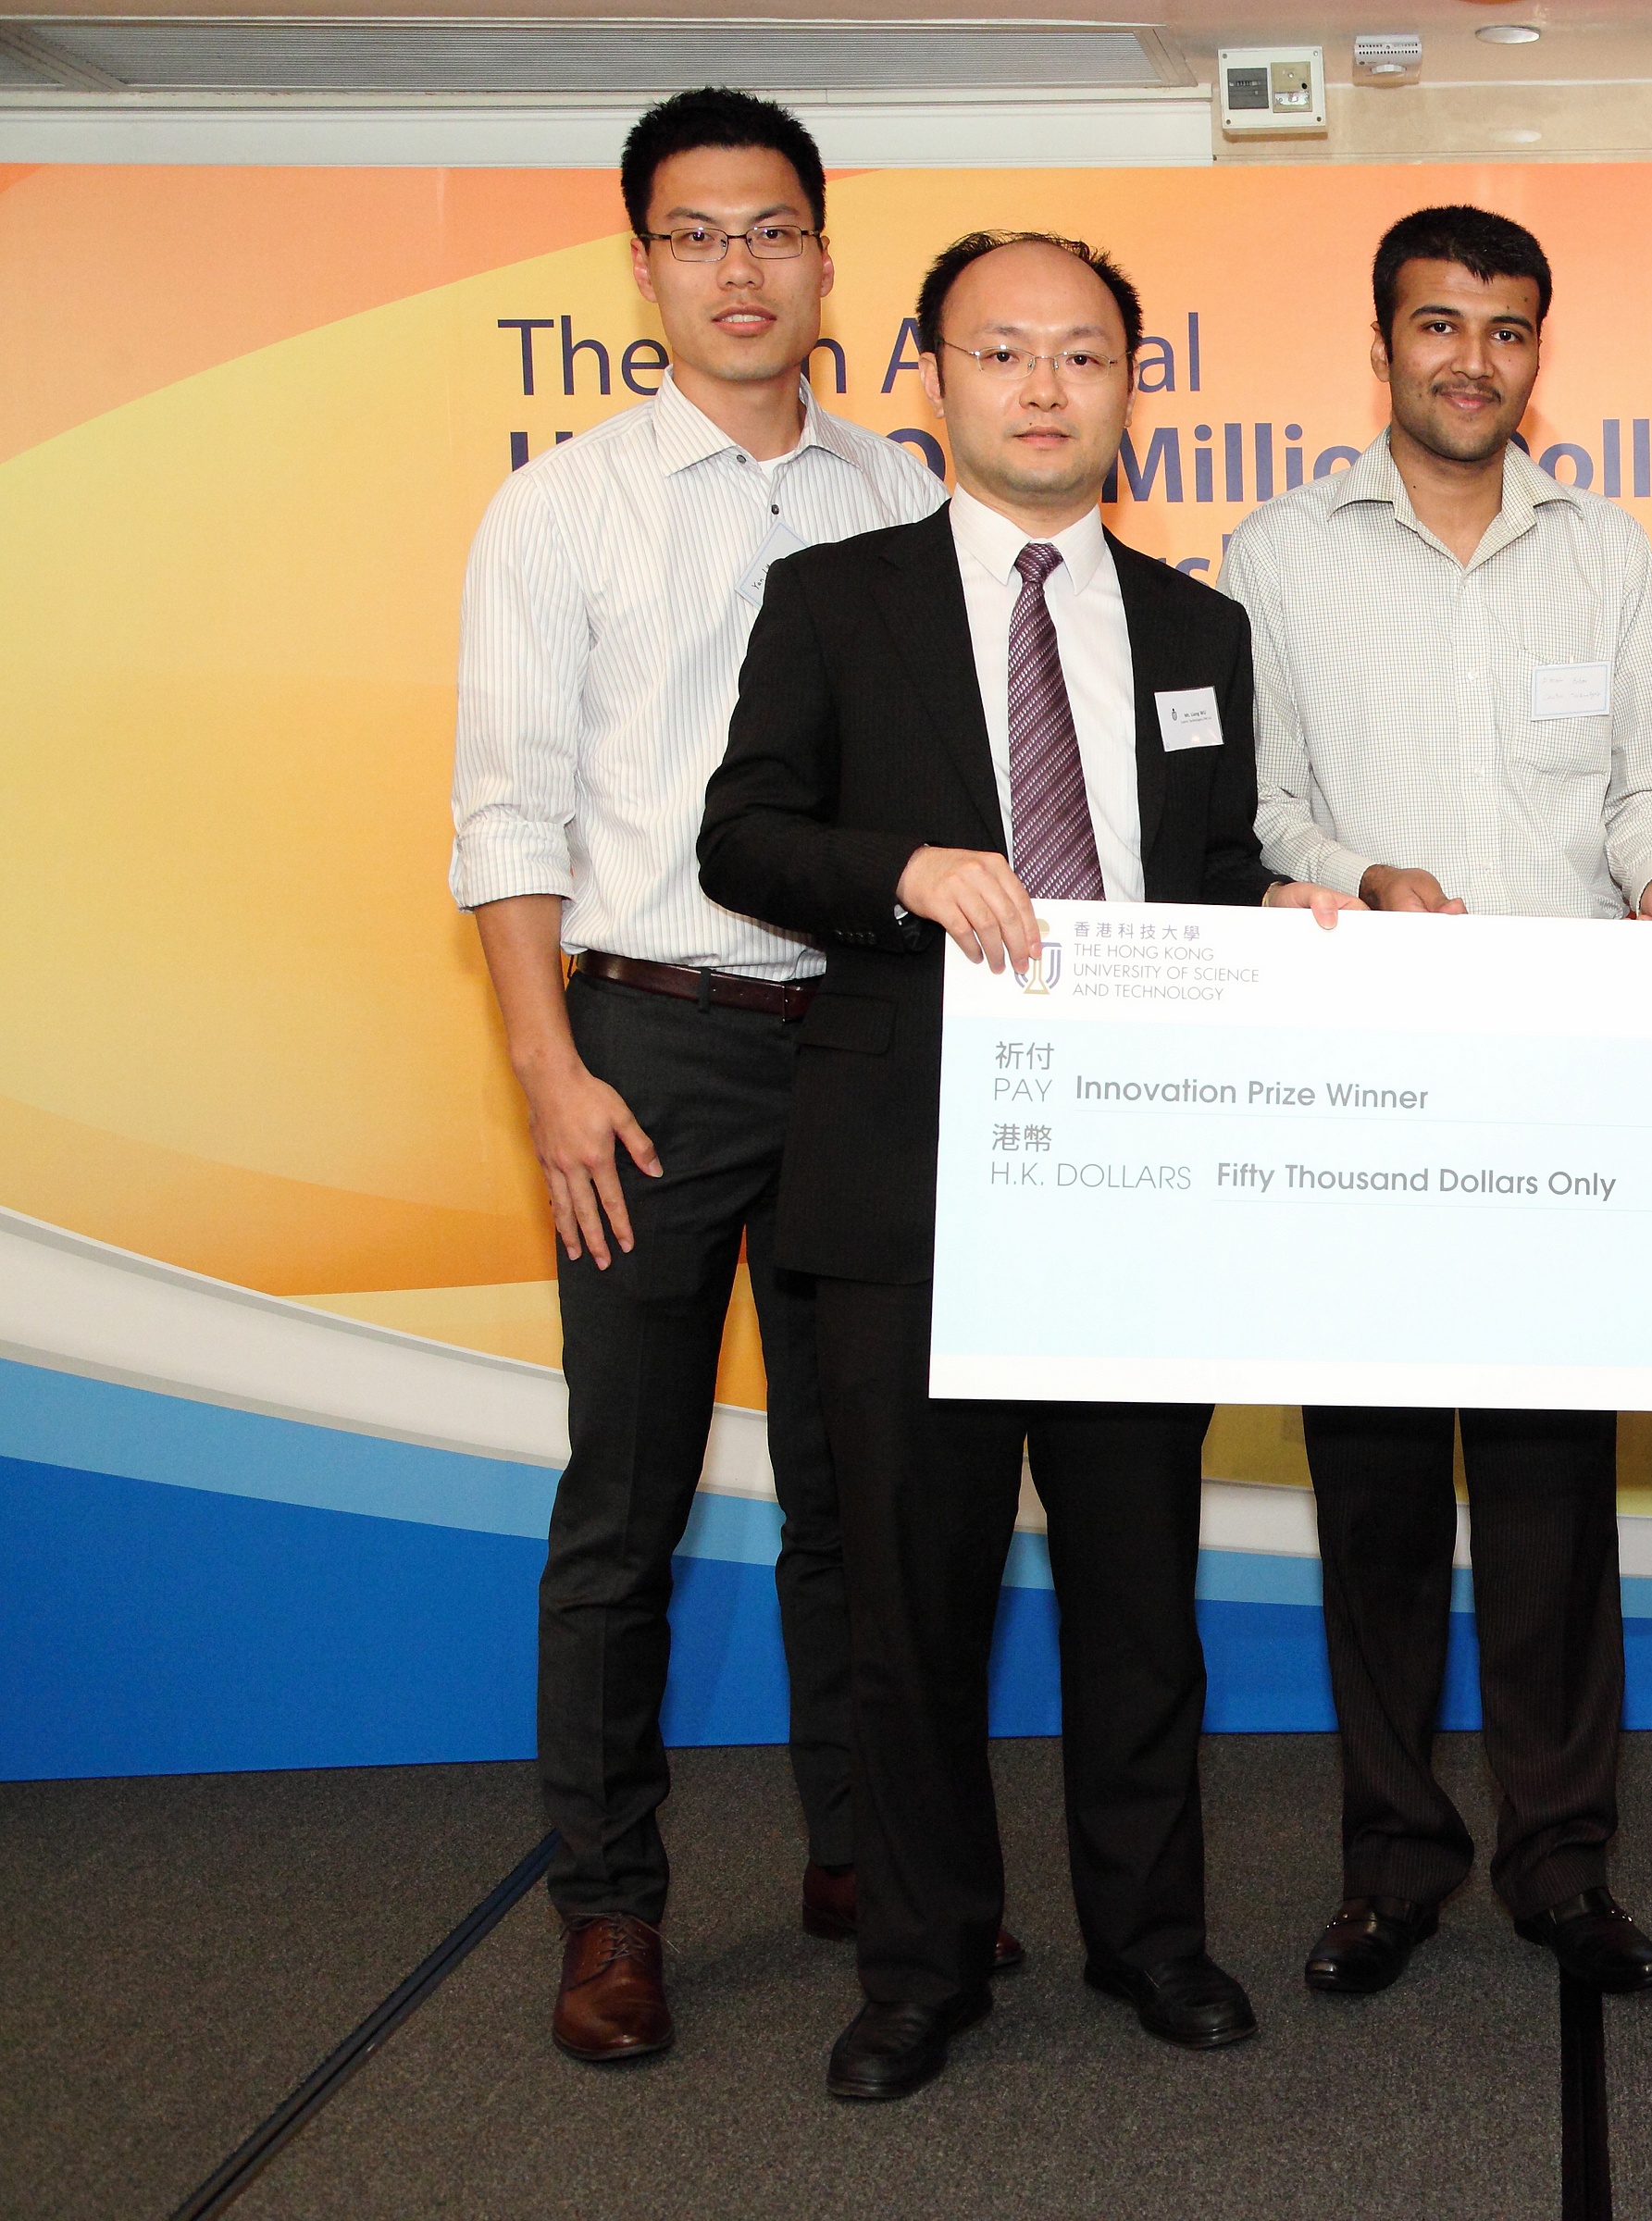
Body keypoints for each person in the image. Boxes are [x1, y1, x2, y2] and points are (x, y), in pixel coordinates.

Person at [700, 230, 1357, 2100]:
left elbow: (1208, 881)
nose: (1046, 386)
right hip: (907, 1186)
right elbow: (741, 834)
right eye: (1006, 353)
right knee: (913, 1606)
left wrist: (1282, 915)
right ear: (936, 379)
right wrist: (898, 871)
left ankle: (1152, 1938)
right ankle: (917, 1967)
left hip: (1140, 1193)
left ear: (1134, 387)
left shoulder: (1197, 629)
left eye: (1085, 355)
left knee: (1143, 1596)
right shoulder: (838, 601)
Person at [449, 86, 957, 2066]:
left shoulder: (897, 500)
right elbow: (505, 818)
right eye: (696, 234)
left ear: (827, 258)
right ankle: (611, 1910)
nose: (738, 269)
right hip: (642, 1048)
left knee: (860, 1497)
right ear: (643, 264)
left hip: (851, 1039)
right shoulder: (559, 508)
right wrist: (549, 1073)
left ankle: (859, 1857)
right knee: (628, 1507)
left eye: (772, 231)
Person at [1223, 205, 1652, 2001]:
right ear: (1384, 348)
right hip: (1363, 1090)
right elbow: (1256, 811)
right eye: (1439, 326)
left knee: (1548, 1500)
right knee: (1371, 1500)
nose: (1471, 360)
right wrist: (1364, 872)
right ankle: (1390, 1861)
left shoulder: (1602, 556)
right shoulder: (1276, 553)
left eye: (1506, 330)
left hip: (1564, 1087)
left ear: (1538, 351)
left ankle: (1562, 1862)